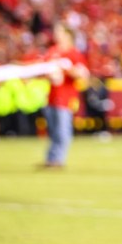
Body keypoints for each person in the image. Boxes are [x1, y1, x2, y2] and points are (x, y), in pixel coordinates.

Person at [40, 22, 89, 169]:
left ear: (67, 34)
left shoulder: (74, 53)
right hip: (51, 96)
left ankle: (58, 159)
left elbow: (83, 74)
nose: (56, 34)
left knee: (62, 129)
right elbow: (44, 69)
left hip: (66, 97)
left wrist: (68, 70)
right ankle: (51, 158)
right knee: (53, 130)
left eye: (59, 31)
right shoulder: (53, 51)